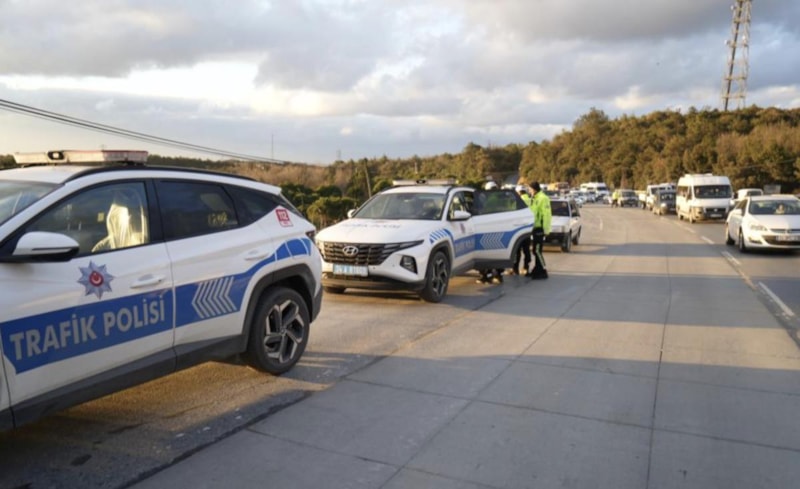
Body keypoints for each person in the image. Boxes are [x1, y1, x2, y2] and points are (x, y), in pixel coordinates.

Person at [477, 181, 504, 284]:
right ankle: (498, 275)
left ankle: (486, 275)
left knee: (487, 253)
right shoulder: (502, 198)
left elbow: (484, 213)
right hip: (500, 229)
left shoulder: (490, 200)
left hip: (490, 229)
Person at [529, 181, 551, 279]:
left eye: (530, 189)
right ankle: (537, 269)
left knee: (537, 250)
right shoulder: (534, 198)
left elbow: (546, 215)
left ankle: (543, 270)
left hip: (540, 228)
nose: (529, 191)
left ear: (534, 189)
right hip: (534, 228)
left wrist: (546, 230)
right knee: (535, 250)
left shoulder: (543, 198)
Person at [512, 184, 533, 275]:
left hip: (518, 228)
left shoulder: (517, 201)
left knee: (517, 250)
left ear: (518, 192)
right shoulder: (531, 200)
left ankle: (515, 269)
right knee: (526, 250)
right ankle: (526, 268)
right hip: (528, 228)